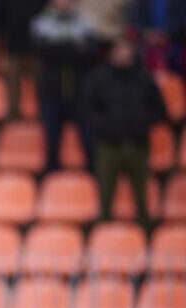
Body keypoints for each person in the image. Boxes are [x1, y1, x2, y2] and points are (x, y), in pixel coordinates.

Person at [82, 39, 166, 229]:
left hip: (138, 145)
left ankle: (145, 236)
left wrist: (142, 124)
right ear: (112, 54)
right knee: (105, 196)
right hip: (109, 145)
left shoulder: (144, 78)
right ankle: (102, 237)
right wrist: (104, 126)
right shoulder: (100, 78)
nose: (124, 54)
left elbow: (160, 110)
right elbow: (87, 108)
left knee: (141, 197)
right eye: (120, 50)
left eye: (127, 49)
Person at [31, 0, 98, 173]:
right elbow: (42, 50)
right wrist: (73, 48)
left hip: (79, 93)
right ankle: (51, 188)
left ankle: (92, 184)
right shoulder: (41, 23)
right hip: (51, 93)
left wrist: (58, 49)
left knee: (89, 142)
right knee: (52, 144)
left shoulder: (85, 22)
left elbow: (90, 52)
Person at [0, 0, 48, 119]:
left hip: (37, 52)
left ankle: (43, 116)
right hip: (13, 50)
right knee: (12, 87)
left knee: (43, 85)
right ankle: (13, 118)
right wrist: (0, 52)